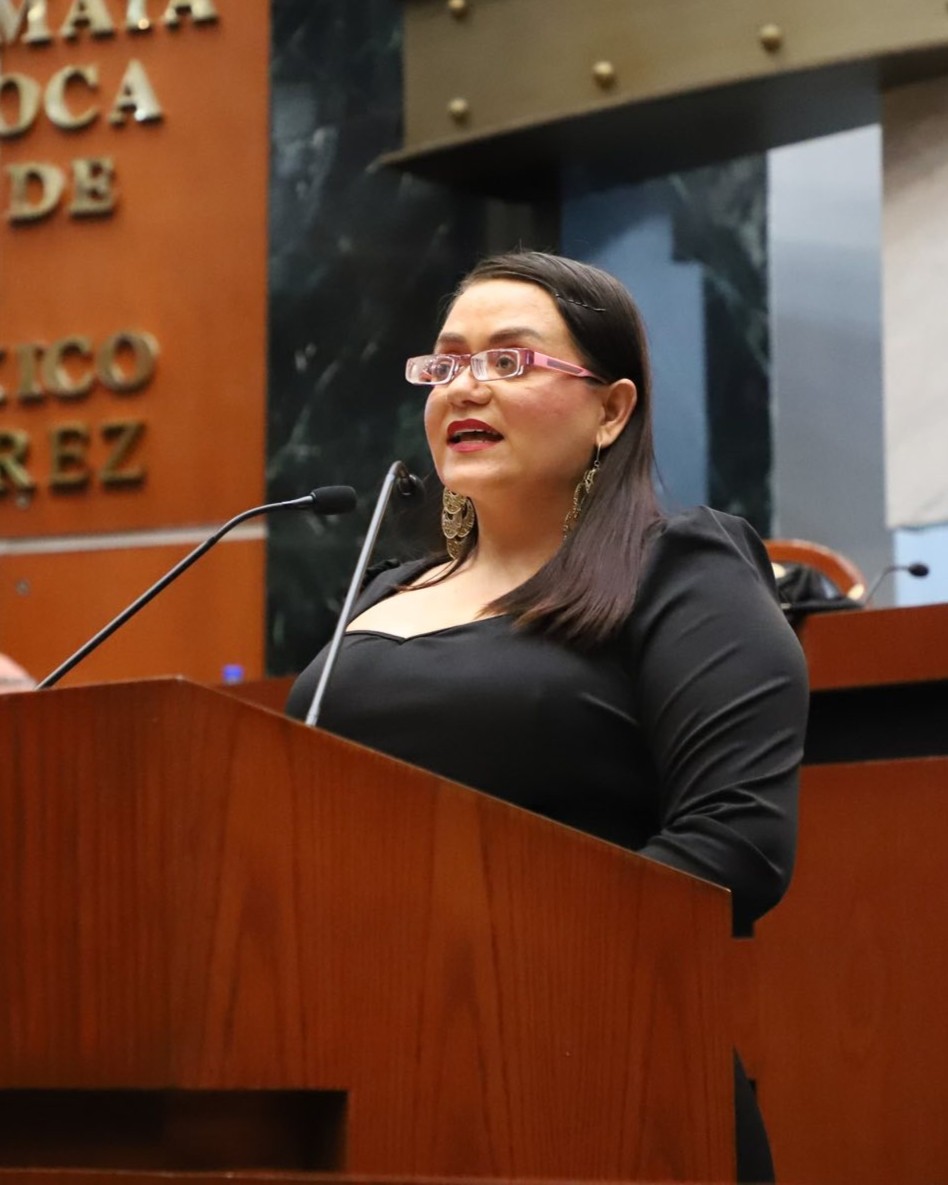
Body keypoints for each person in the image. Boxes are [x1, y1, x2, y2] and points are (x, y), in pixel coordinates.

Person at [286, 250, 809, 1181]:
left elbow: (737, 840)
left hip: (601, 1074)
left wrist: (483, 965)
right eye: (446, 362)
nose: (464, 386)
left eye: (508, 360)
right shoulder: (383, 591)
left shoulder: (677, 569)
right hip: (365, 1072)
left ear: (612, 409)